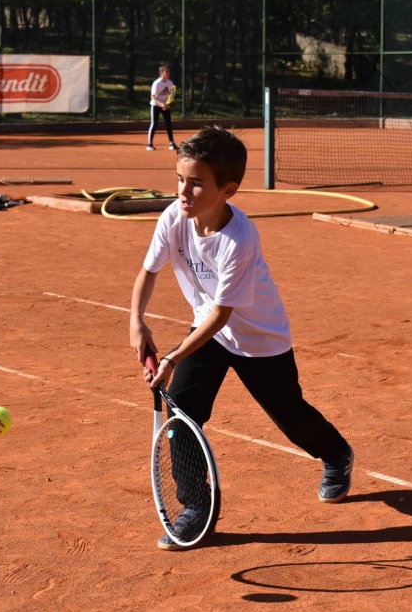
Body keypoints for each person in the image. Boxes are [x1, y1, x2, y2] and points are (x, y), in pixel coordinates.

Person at [129, 126, 353, 551]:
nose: (184, 190)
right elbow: (149, 272)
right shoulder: (174, 217)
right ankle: (197, 507)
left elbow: (221, 314)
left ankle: (335, 453)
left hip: (258, 337)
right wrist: (136, 321)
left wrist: (173, 356)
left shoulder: (240, 238)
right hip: (209, 332)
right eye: (180, 178)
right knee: (183, 417)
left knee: (290, 415)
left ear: (227, 189)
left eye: (197, 182)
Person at [146, 65, 177, 151]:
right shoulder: (157, 83)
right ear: (161, 73)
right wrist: (161, 104)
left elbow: (170, 95)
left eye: (169, 72)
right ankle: (149, 144)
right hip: (155, 105)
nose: (168, 73)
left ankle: (171, 143)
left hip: (165, 105)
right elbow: (152, 96)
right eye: (166, 72)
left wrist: (167, 103)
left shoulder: (170, 82)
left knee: (168, 124)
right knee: (154, 124)